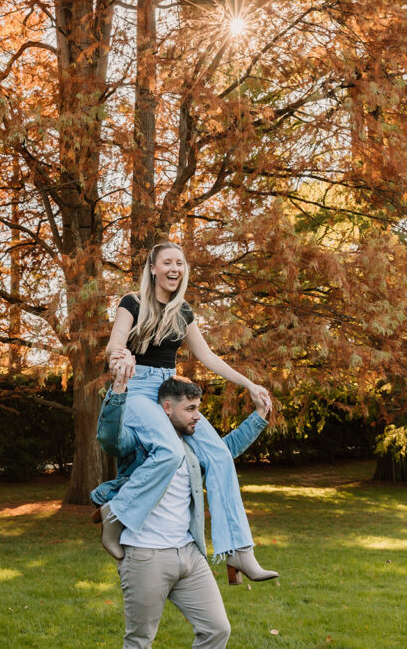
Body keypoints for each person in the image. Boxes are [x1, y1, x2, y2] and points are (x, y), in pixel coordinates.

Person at [99, 240, 277, 582]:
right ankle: (115, 514)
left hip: (168, 389)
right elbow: (115, 343)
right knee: (168, 452)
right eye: (167, 262)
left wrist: (249, 385)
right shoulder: (132, 303)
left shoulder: (183, 312)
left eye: (179, 263)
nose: (174, 269)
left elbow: (208, 357)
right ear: (153, 268)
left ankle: (239, 550)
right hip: (137, 389)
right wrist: (120, 357)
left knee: (220, 456)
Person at [97, 371, 271, 648]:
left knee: (217, 630)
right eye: (190, 409)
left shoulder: (191, 446)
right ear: (167, 408)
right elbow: (110, 439)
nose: (197, 416)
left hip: (189, 554)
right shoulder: (140, 443)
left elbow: (224, 451)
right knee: (139, 641)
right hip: (146, 555)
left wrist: (259, 416)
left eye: (198, 409)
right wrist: (118, 391)